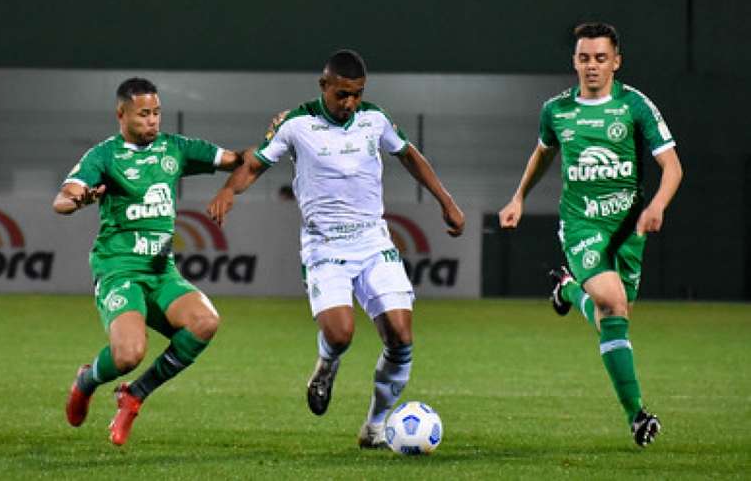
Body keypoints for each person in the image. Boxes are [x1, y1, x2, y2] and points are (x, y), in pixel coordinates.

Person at [207, 49, 465, 448]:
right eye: (342, 94)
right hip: (325, 245)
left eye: (357, 94)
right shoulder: (296, 124)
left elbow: (409, 155)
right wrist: (228, 189)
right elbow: (255, 163)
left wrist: (446, 201)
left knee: (400, 335)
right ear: (324, 86)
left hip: (373, 240)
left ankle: (376, 427)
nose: (350, 103)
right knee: (340, 333)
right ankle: (326, 366)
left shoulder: (374, 119)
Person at [498, 23, 683, 447]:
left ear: (616, 61)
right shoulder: (557, 111)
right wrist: (519, 197)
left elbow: (672, 167)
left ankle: (566, 290)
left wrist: (657, 206)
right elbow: (543, 154)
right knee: (612, 301)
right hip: (582, 224)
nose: (592, 66)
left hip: (629, 227)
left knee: (613, 318)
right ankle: (637, 415)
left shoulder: (634, 105)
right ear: (574, 62)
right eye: (584, 58)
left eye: (601, 58)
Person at [53, 77, 244, 446]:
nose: (153, 121)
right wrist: (79, 199)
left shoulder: (176, 148)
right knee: (128, 355)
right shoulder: (104, 155)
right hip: (118, 270)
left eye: (157, 113)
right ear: (121, 114)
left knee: (205, 322)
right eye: (144, 114)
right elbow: (62, 198)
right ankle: (86, 381)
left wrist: (277, 140)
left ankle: (135, 395)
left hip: (160, 271)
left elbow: (238, 160)